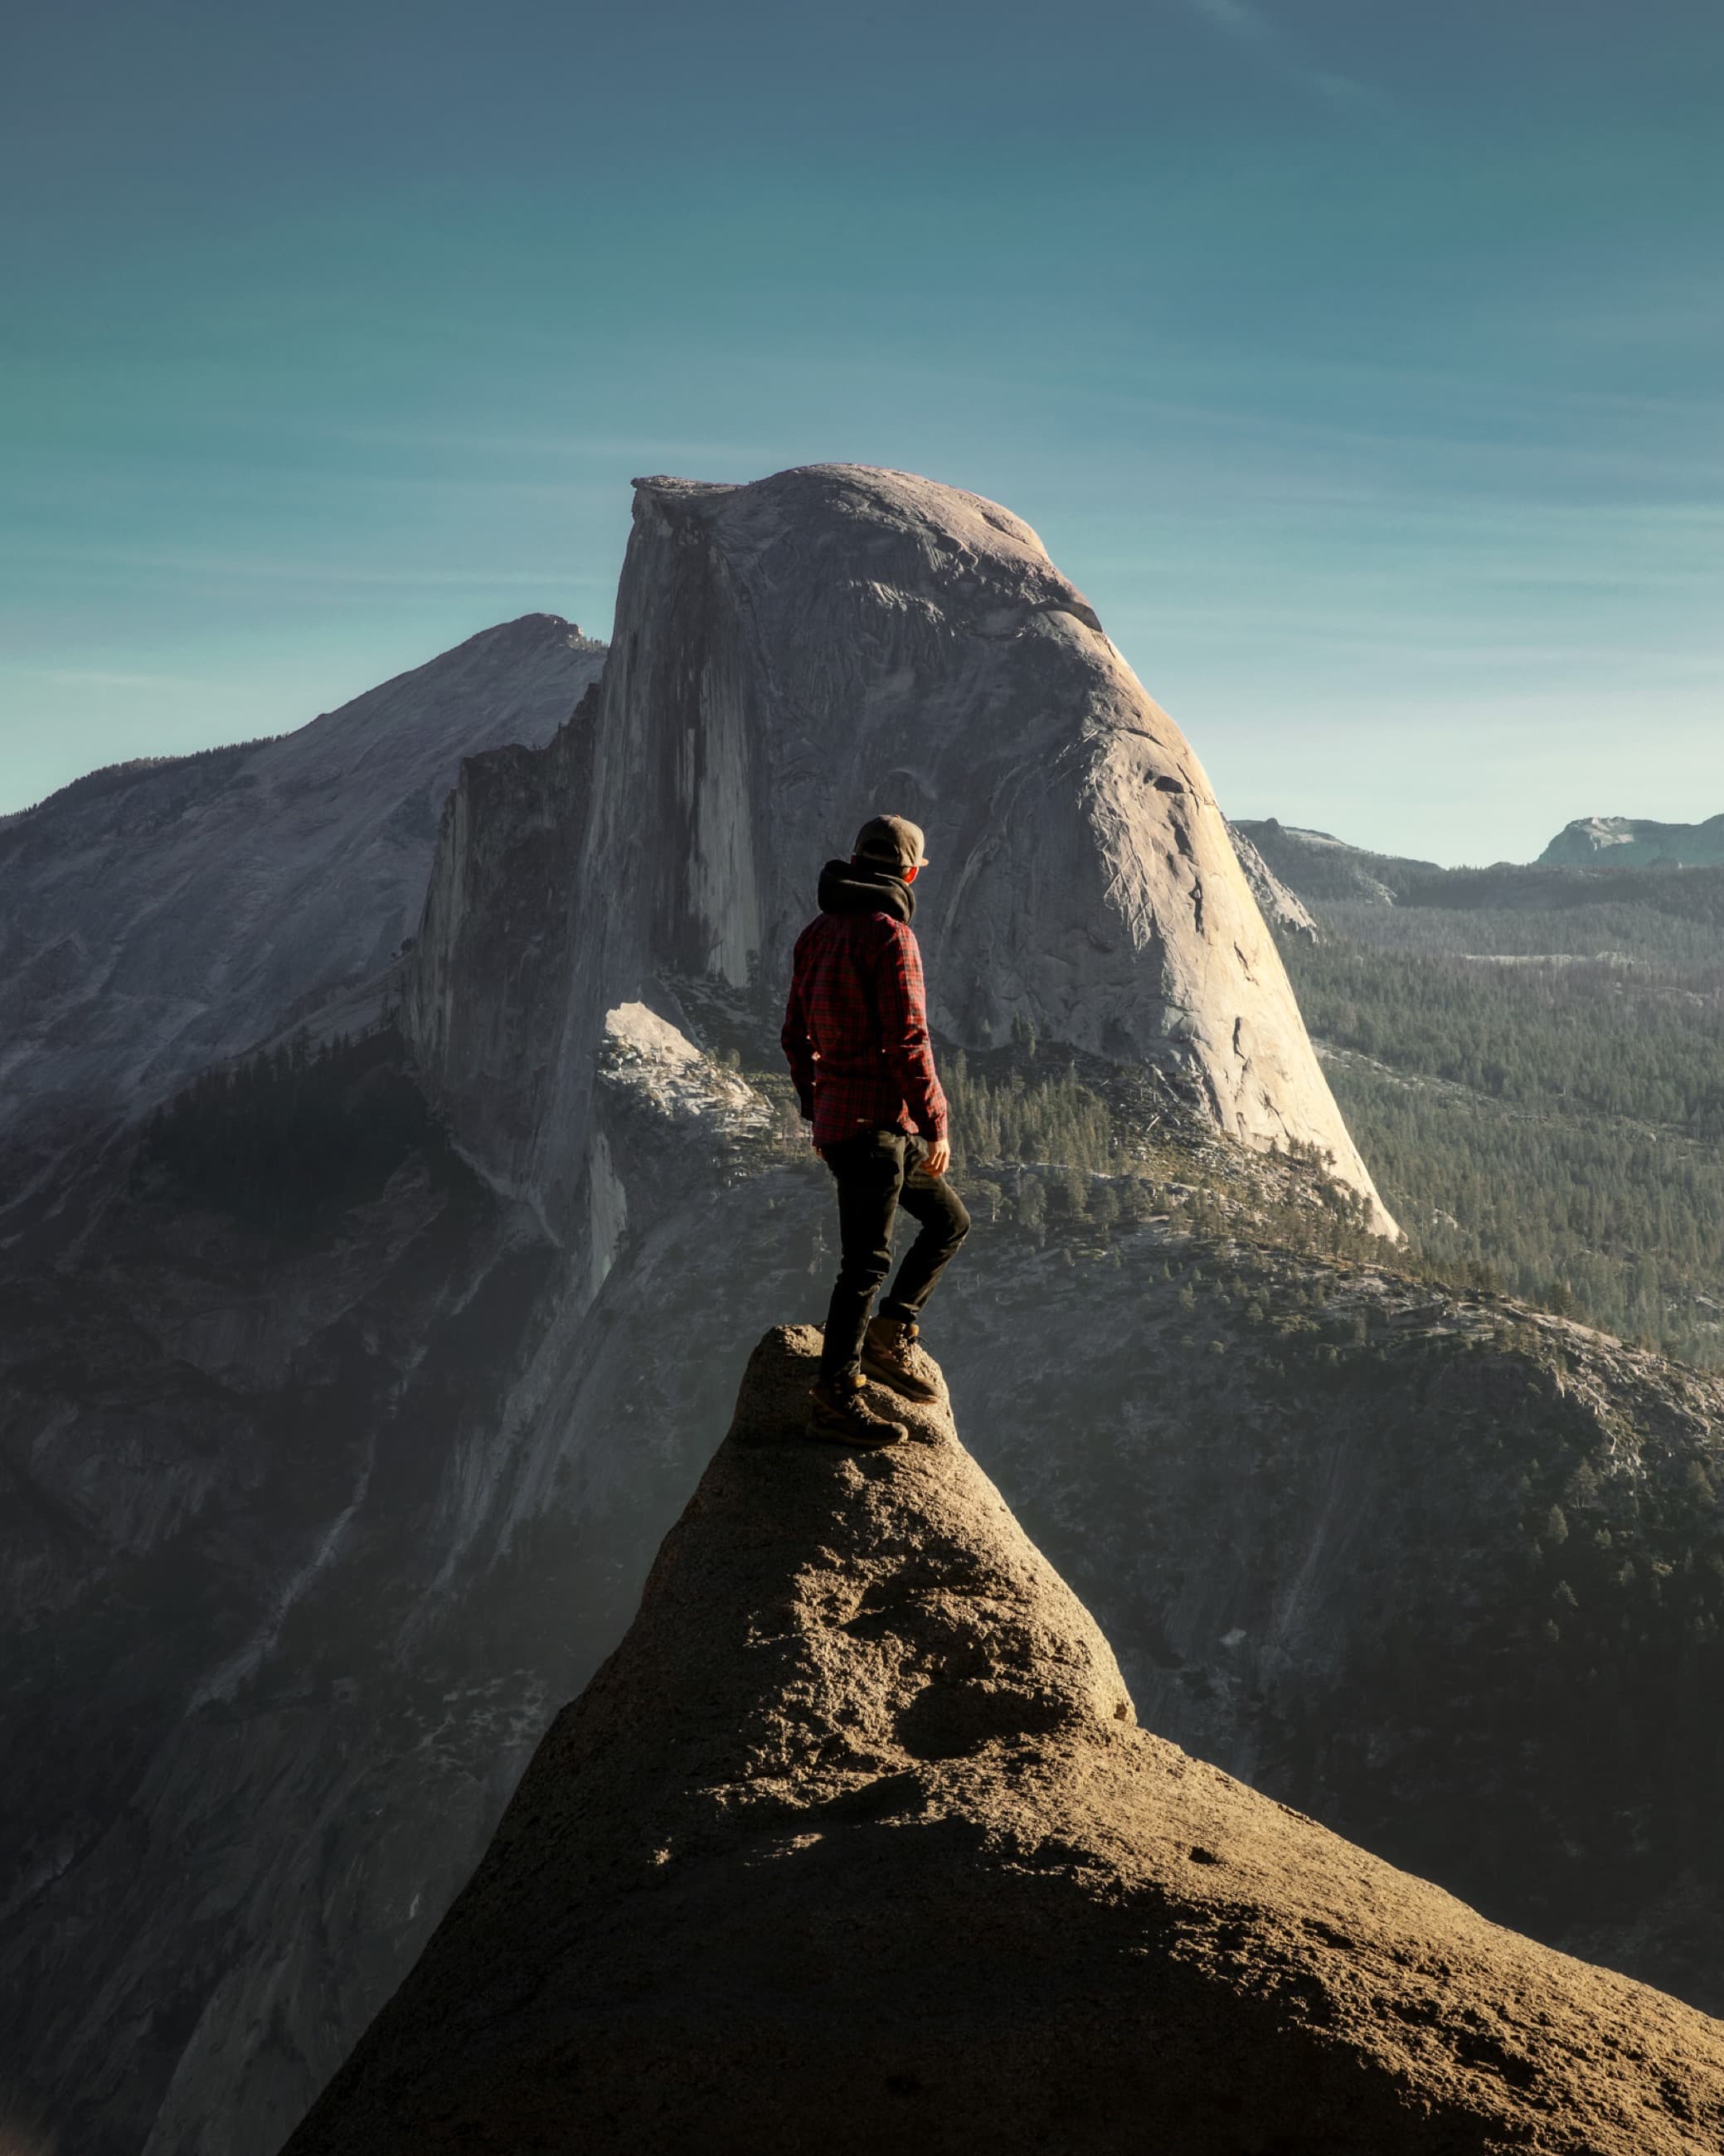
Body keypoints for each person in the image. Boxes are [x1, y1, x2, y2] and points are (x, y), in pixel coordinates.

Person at [781, 813, 970, 1446]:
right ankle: (836, 1392)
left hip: (852, 1124)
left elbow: (792, 1035)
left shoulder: (817, 933)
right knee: (864, 1263)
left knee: (948, 1221)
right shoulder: (891, 936)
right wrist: (937, 1121)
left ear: (857, 861)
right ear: (909, 871)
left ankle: (889, 1334)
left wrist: (816, 1107)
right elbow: (908, 1040)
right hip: (878, 1132)